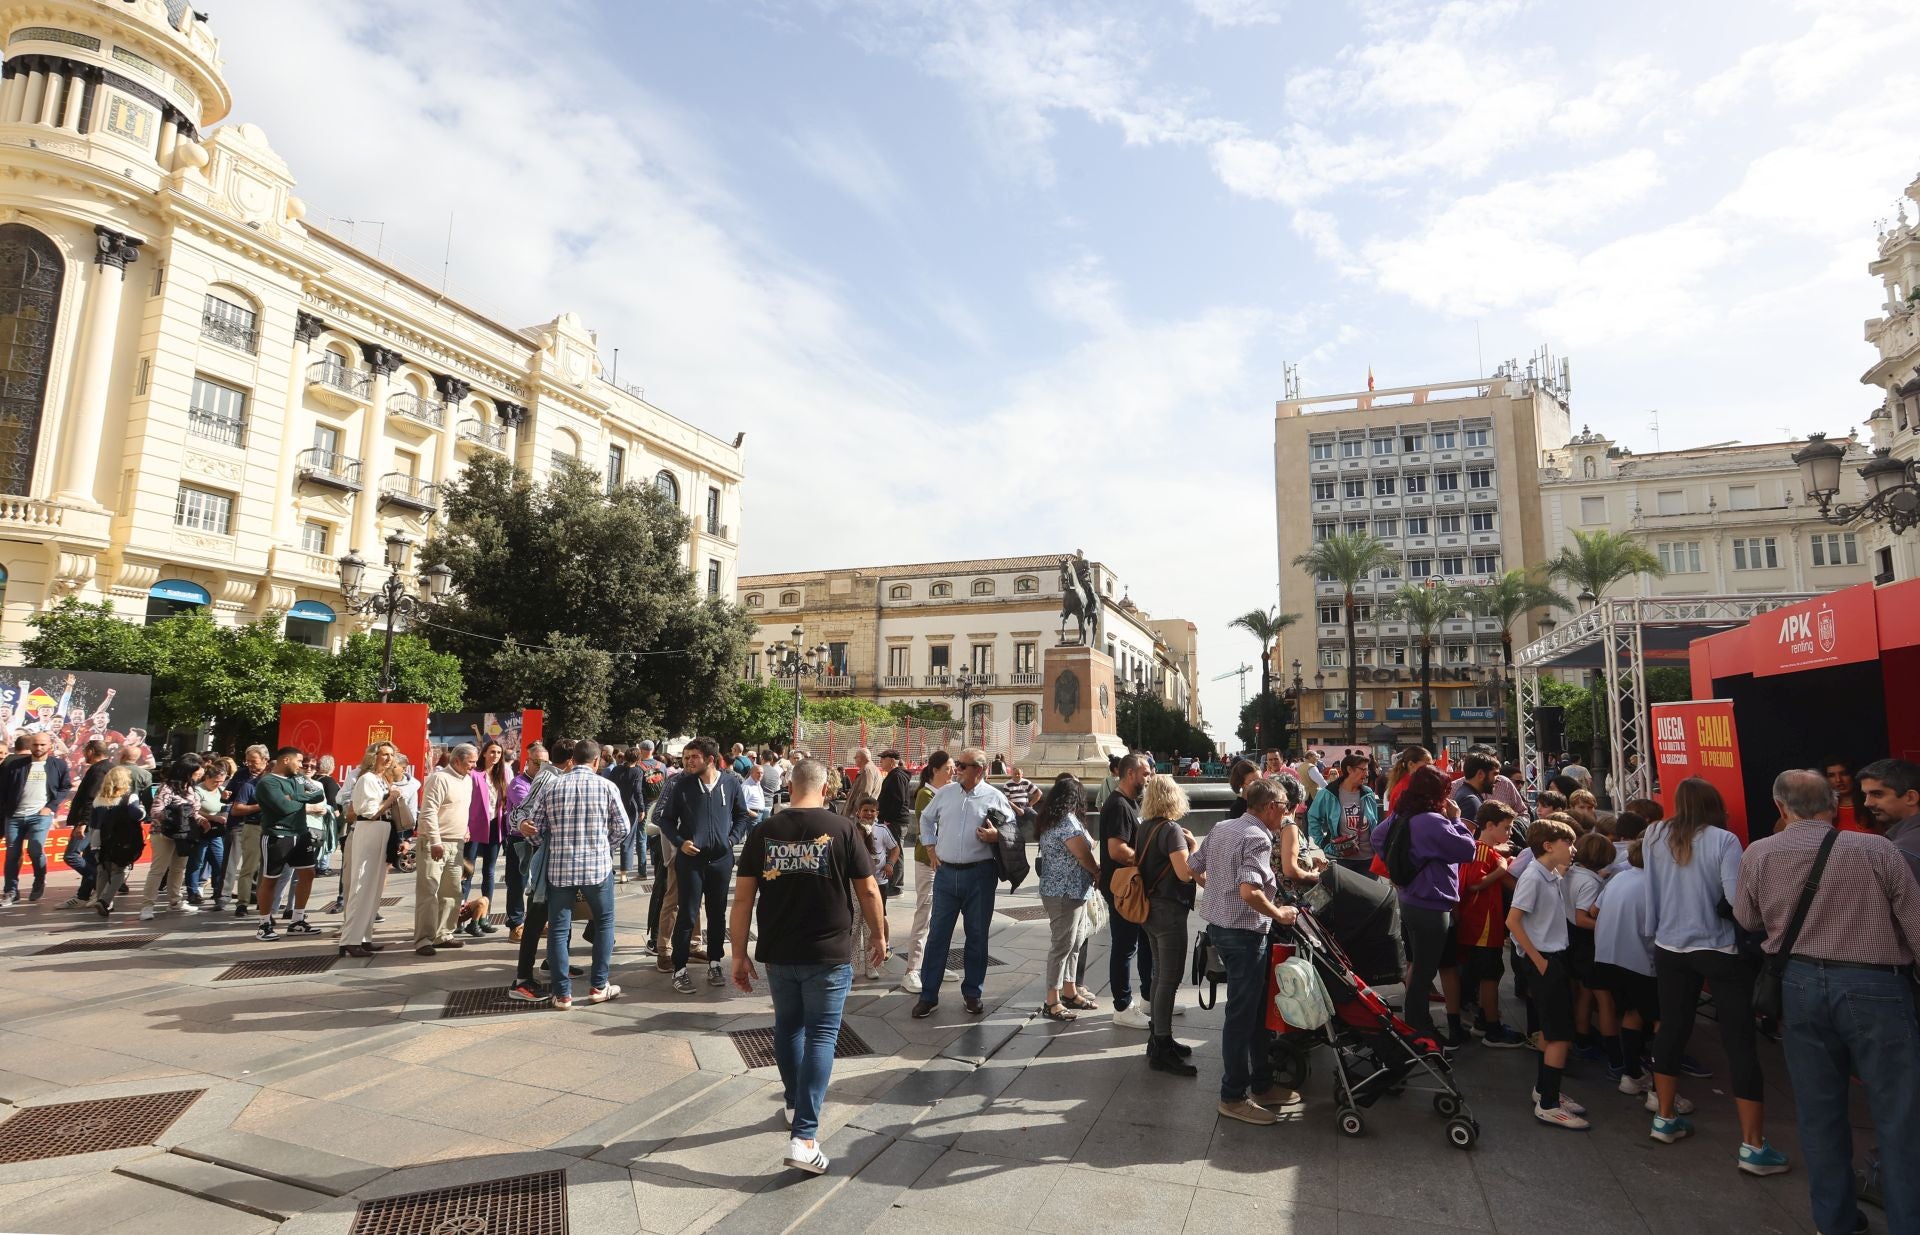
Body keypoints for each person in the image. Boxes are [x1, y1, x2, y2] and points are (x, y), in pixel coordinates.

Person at [1735, 768, 1920, 1235]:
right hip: (1876, 986)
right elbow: (1916, 923)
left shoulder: (1760, 852)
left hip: (1797, 985)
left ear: (1780, 807)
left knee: (1819, 1113)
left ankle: (1835, 1223)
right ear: (1835, 804)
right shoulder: (1878, 848)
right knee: (1900, 1115)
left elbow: (1747, 917)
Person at [730, 757, 885, 1176]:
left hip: (780, 951)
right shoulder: (843, 829)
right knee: (821, 1036)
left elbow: (742, 899)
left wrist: (739, 953)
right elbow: (868, 890)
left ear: (792, 784)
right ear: (825, 787)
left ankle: (794, 1102)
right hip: (828, 952)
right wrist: (879, 935)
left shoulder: (763, 832)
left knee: (788, 1027)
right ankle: (804, 1136)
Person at [1643, 777, 1785, 1173]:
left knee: (1671, 1029)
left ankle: (1665, 1117)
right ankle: (1753, 1144)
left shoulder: (1654, 834)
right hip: (1719, 950)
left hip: (1669, 946)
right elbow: (1739, 903)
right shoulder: (1723, 841)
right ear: (1715, 806)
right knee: (1739, 1041)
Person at [1188, 775, 1301, 1123]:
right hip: (1245, 934)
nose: (1286, 815)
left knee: (1252, 1012)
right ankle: (1232, 1095)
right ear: (1269, 807)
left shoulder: (1222, 828)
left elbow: (1193, 867)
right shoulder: (1257, 837)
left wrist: (1218, 889)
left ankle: (1262, 1084)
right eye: (1284, 808)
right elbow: (1250, 892)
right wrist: (1279, 912)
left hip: (1222, 928)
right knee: (1241, 1016)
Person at [520, 738, 629, 1009]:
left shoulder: (553, 786)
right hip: (597, 868)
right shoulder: (607, 786)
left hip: (560, 868)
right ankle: (599, 985)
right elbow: (623, 828)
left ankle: (562, 993)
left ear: (573, 759)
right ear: (596, 761)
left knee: (558, 928)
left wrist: (545, 842)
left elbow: (534, 830)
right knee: (604, 923)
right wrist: (605, 847)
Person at [1373, 764, 1475, 1050]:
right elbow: (1468, 850)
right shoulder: (1433, 821)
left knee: (1418, 966)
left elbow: (1377, 837)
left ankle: (1414, 1024)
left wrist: (1402, 863)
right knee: (1424, 972)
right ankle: (1419, 1029)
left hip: (1410, 899)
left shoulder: (1403, 815)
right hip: (1431, 903)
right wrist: (1456, 819)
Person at [911, 747, 1014, 1019]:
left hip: (980, 874)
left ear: (978, 770)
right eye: (957, 764)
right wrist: (931, 848)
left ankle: (973, 993)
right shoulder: (945, 793)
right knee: (937, 936)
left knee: (977, 936)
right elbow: (925, 818)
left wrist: (996, 837)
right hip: (946, 874)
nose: (956, 769)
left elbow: (1013, 829)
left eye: (962, 765)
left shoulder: (995, 796)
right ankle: (928, 996)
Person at [657, 736, 754, 994]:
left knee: (717, 914)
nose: (687, 761)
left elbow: (742, 816)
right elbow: (665, 819)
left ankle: (715, 963)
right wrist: (680, 842)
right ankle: (680, 969)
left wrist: (731, 839)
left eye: (693, 757)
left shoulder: (731, 783)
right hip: (691, 862)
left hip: (721, 861)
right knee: (687, 915)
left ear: (710, 759)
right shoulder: (681, 785)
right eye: (686, 757)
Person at [1508, 816, 1586, 1128]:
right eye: (1568, 842)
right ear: (1548, 846)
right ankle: (1550, 1103)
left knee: (1551, 1031)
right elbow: (1513, 921)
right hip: (1546, 960)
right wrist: (1539, 961)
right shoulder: (1534, 877)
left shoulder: (1548, 873)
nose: (1573, 848)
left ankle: (1545, 1089)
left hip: (1553, 957)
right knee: (1559, 1035)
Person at [1593, 839, 1669, 1111]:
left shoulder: (1618, 878)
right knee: (1661, 1018)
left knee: (1631, 1013)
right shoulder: (1656, 886)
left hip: (1608, 957)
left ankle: (1632, 1074)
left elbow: (1594, 910)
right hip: (1640, 960)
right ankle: (1661, 1093)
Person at [1135, 774, 1199, 1076]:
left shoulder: (1145, 827)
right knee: (1169, 980)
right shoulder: (1171, 829)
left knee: (1160, 975)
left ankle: (1160, 1038)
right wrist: (1195, 847)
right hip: (1169, 912)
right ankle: (1161, 1044)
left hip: (1149, 910)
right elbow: (1185, 873)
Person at [1456, 801, 1525, 1047]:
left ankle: (1484, 1021)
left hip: (1484, 924)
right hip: (1481, 925)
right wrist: (1503, 867)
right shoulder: (1482, 850)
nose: (1509, 834)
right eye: (1506, 828)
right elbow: (1475, 883)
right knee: (1490, 977)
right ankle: (1493, 1029)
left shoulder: (1486, 850)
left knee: (1489, 974)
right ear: (1489, 825)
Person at [1035, 775, 1099, 1021]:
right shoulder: (1065, 823)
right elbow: (1083, 853)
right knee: (1063, 945)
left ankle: (1070, 991)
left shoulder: (1055, 820)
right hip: (1064, 893)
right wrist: (1097, 871)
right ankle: (1052, 1000)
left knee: (1075, 942)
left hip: (1073, 890)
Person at [1098, 753, 1154, 1029]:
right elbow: (1117, 850)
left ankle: (1148, 998)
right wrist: (1147, 859)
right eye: (1145, 773)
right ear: (1130, 773)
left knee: (1143, 940)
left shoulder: (1130, 803)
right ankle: (1122, 1006)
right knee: (1125, 945)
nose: (1149, 777)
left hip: (1131, 885)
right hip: (1122, 887)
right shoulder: (1119, 805)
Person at [250, 746, 327, 942]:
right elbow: (283, 807)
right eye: (299, 761)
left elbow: (318, 795)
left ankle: (297, 921)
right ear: (286, 760)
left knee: (308, 874)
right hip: (277, 835)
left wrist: (295, 797)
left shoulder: (298, 778)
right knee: (271, 879)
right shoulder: (268, 782)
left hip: (301, 834)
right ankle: (264, 923)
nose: (302, 766)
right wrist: (298, 801)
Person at [339, 744, 403, 957]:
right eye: (384, 754)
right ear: (373, 756)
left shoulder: (382, 779)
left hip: (382, 830)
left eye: (391, 755)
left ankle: (364, 937)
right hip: (369, 829)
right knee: (361, 884)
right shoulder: (366, 779)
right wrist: (391, 799)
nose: (388, 758)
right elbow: (369, 812)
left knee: (374, 887)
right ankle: (351, 939)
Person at [415, 744, 476, 956]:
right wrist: (435, 841)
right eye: (471, 762)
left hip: (457, 842)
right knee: (429, 891)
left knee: (452, 891)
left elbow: (460, 808)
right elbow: (428, 811)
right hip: (435, 843)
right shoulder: (439, 778)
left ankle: (443, 934)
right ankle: (424, 939)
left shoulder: (467, 780)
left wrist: (465, 828)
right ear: (457, 761)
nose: (474, 766)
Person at [1, 730, 75, 905]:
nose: (39, 748)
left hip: (40, 816)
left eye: (42, 744)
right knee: (12, 854)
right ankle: (11, 891)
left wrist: (50, 807)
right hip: (15, 816)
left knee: (35, 849)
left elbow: (65, 787)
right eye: (35, 744)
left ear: (50, 746)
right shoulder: (15, 765)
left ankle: (39, 881)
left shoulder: (58, 765)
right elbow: (3, 790)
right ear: (30, 746)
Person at [900, 751, 951, 994]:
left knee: (943, 916)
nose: (953, 772)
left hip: (947, 862)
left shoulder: (948, 792)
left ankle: (935, 964)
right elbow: (928, 827)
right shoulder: (925, 794)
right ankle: (911, 970)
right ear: (935, 770)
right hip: (928, 861)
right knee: (925, 913)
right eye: (948, 768)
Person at [505, 741, 552, 939]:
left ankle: (537, 922)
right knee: (518, 882)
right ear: (527, 762)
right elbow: (529, 808)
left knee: (540, 883)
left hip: (541, 841)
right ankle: (516, 924)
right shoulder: (518, 784)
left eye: (545, 763)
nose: (541, 768)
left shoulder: (549, 782)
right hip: (520, 841)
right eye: (536, 763)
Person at [59, 739, 112, 909]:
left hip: (91, 821)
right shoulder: (106, 768)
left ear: (90, 751)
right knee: (89, 857)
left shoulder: (99, 770)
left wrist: (83, 822)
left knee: (72, 855)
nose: (83, 754)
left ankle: (102, 885)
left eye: (84, 751)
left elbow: (92, 798)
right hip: (97, 820)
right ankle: (83, 895)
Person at [1306, 753, 1380, 875]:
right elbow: (1313, 818)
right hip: (1341, 859)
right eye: (1363, 770)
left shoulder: (1368, 793)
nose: (1367, 774)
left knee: (1368, 894)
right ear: (1349, 769)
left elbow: (1374, 822)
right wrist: (1323, 843)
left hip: (1368, 859)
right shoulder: (1328, 793)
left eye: (1367, 770)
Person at [89, 766, 146, 916]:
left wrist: (94, 842)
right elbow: (136, 815)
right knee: (119, 870)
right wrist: (142, 809)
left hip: (99, 838)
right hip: (120, 839)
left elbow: (93, 823)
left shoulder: (98, 799)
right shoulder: (129, 797)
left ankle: (101, 900)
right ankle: (105, 901)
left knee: (102, 870)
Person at [850, 797, 895, 978]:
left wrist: (890, 863)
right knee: (853, 926)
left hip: (876, 884)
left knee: (872, 925)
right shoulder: (851, 830)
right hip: (854, 886)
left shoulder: (882, 830)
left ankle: (871, 965)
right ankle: (852, 965)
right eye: (865, 810)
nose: (868, 814)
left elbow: (895, 848)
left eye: (872, 811)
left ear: (877, 813)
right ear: (858, 812)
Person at [1858, 759, 1920, 880]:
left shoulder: (1901, 853)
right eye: (1865, 795)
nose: (1867, 803)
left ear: (1911, 797)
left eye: (1877, 794)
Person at [224, 745, 267, 916]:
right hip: (252, 826)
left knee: (267, 868)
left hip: (273, 828)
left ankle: (263, 900)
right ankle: (242, 902)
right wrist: (259, 806)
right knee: (249, 866)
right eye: (248, 762)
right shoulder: (248, 783)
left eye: (254, 762)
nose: (250, 765)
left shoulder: (278, 783)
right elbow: (236, 808)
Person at [185, 759, 228, 910]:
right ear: (207, 778)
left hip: (216, 832)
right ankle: (193, 892)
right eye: (216, 781)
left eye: (221, 781)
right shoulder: (198, 790)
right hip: (201, 830)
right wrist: (212, 817)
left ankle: (218, 892)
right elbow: (194, 809)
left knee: (219, 862)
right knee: (197, 861)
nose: (218, 784)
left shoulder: (222, 790)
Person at [875, 749, 912, 896]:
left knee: (896, 852)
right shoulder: (895, 775)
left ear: (891, 760)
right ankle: (893, 883)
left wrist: (888, 818)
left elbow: (898, 800)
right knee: (893, 851)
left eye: (883, 758)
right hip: (894, 821)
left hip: (895, 822)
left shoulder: (896, 776)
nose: (881, 761)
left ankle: (896, 886)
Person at [1820, 758, 1867, 832]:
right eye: (1831, 775)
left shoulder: (1869, 804)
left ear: (1853, 775)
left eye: (1844, 774)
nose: (1838, 780)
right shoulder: (1823, 810)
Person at [1451, 752, 1499, 822]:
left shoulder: (1466, 793)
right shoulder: (1470, 801)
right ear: (1480, 774)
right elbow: (1467, 832)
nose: (1497, 779)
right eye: (1494, 774)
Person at [1002, 764, 1037, 829]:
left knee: (1037, 817)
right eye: (1015, 774)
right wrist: (1017, 809)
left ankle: (1040, 834)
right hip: (1014, 808)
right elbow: (1007, 800)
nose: (1017, 775)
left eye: (1019, 774)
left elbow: (1039, 793)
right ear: (1012, 774)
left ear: (1022, 774)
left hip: (1026, 807)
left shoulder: (1026, 782)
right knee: (1014, 824)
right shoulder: (1007, 784)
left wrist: (1030, 804)